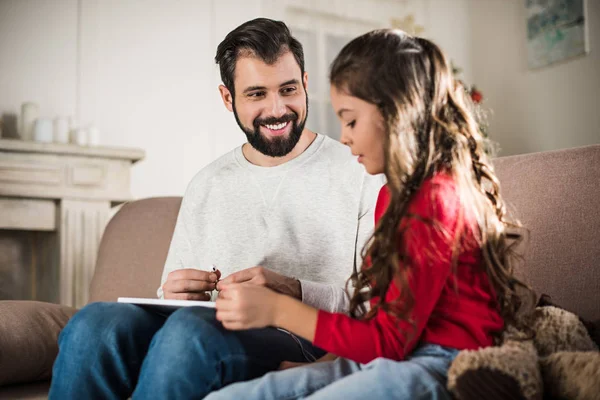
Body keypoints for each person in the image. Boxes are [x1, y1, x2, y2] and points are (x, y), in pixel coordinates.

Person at [48, 18, 381, 400]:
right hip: (207, 325)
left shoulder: (360, 170)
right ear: (228, 98)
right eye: (256, 94)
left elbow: (375, 303)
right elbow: (172, 296)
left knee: (189, 333)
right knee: (93, 324)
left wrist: (294, 289)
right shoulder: (207, 183)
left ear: (305, 84)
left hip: (303, 336)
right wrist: (174, 293)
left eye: (288, 90)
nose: (277, 109)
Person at [205, 29, 534, 400]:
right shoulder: (387, 197)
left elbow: (390, 341)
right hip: (390, 357)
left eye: (350, 120)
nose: (343, 138)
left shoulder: (438, 200)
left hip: (445, 362)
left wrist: (278, 310)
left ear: (397, 114)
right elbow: (379, 320)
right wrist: (322, 365)